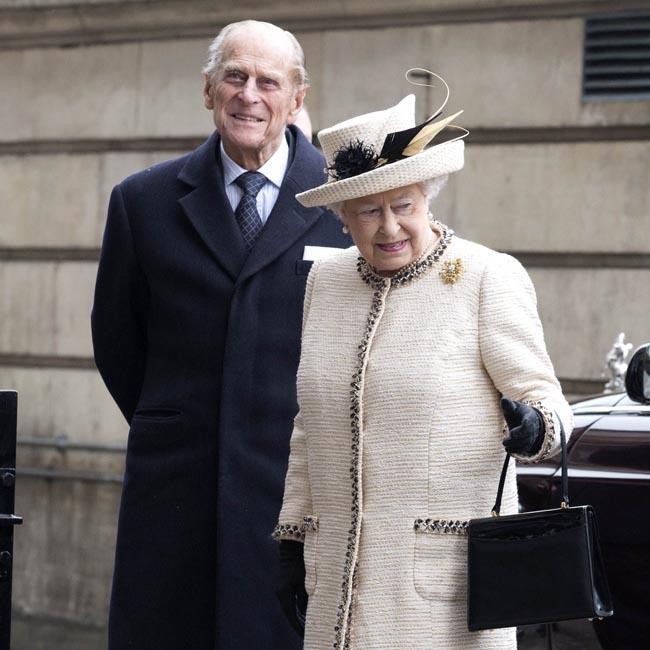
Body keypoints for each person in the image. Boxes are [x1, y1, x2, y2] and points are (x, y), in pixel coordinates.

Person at [273, 75, 574, 649]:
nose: (389, 227)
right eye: (368, 211)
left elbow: (549, 404)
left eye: (403, 205)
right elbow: (309, 426)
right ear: (342, 217)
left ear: (427, 195)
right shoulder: (326, 282)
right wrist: (291, 539)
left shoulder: (486, 278)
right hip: (334, 584)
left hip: (443, 596)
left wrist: (535, 427)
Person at [91, 19, 350, 650]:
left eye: (269, 82)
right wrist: (176, 418)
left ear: (297, 98)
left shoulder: (347, 204)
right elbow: (118, 341)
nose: (249, 95)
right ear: (208, 89)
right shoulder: (142, 201)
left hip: (298, 494)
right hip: (175, 491)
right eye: (234, 76)